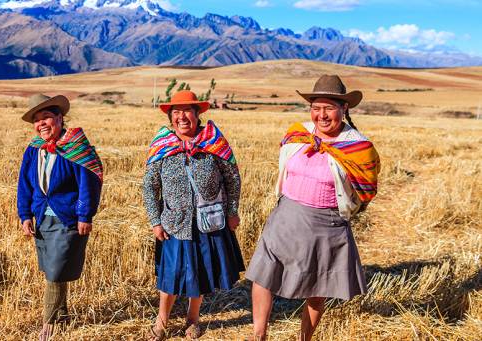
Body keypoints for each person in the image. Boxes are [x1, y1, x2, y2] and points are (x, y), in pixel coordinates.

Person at [245, 75, 381, 341]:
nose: (322, 115)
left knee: (317, 285)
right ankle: (258, 334)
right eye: (316, 107)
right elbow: (284, 164)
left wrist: (345, 212)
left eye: (329, 107)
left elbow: (366, 188)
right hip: (286, 216)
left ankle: (304, 338)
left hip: (326, 223)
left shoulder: (358, 148)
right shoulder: (297, 134)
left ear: (344, 109)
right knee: (263, 274)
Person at [142, 90, 245, 340]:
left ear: (197, 114)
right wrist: (155, 220)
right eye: (176, 112)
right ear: (170, 117)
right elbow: (149, 186)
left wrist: (232, 211)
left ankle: (192, 319)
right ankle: (162, 322)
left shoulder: (213, 143)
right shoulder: (162, 147)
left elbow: (233, 179)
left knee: (198, 274)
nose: (182, 117)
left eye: (187, 111)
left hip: (208, 221)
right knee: (170, 276)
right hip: (174, 223)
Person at [16, 94, 103, 341]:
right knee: (51, 269)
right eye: (37, 119)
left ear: (60, 118)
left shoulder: (77, 148)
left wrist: (85, 215)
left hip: (68, 219)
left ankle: (49, 324)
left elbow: (89, 183)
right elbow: (24, 184)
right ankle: (62, 315)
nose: (42, 124)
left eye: (47, 117)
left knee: (55, 272)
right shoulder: (34, 149)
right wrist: (25, 215)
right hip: (42, 217)